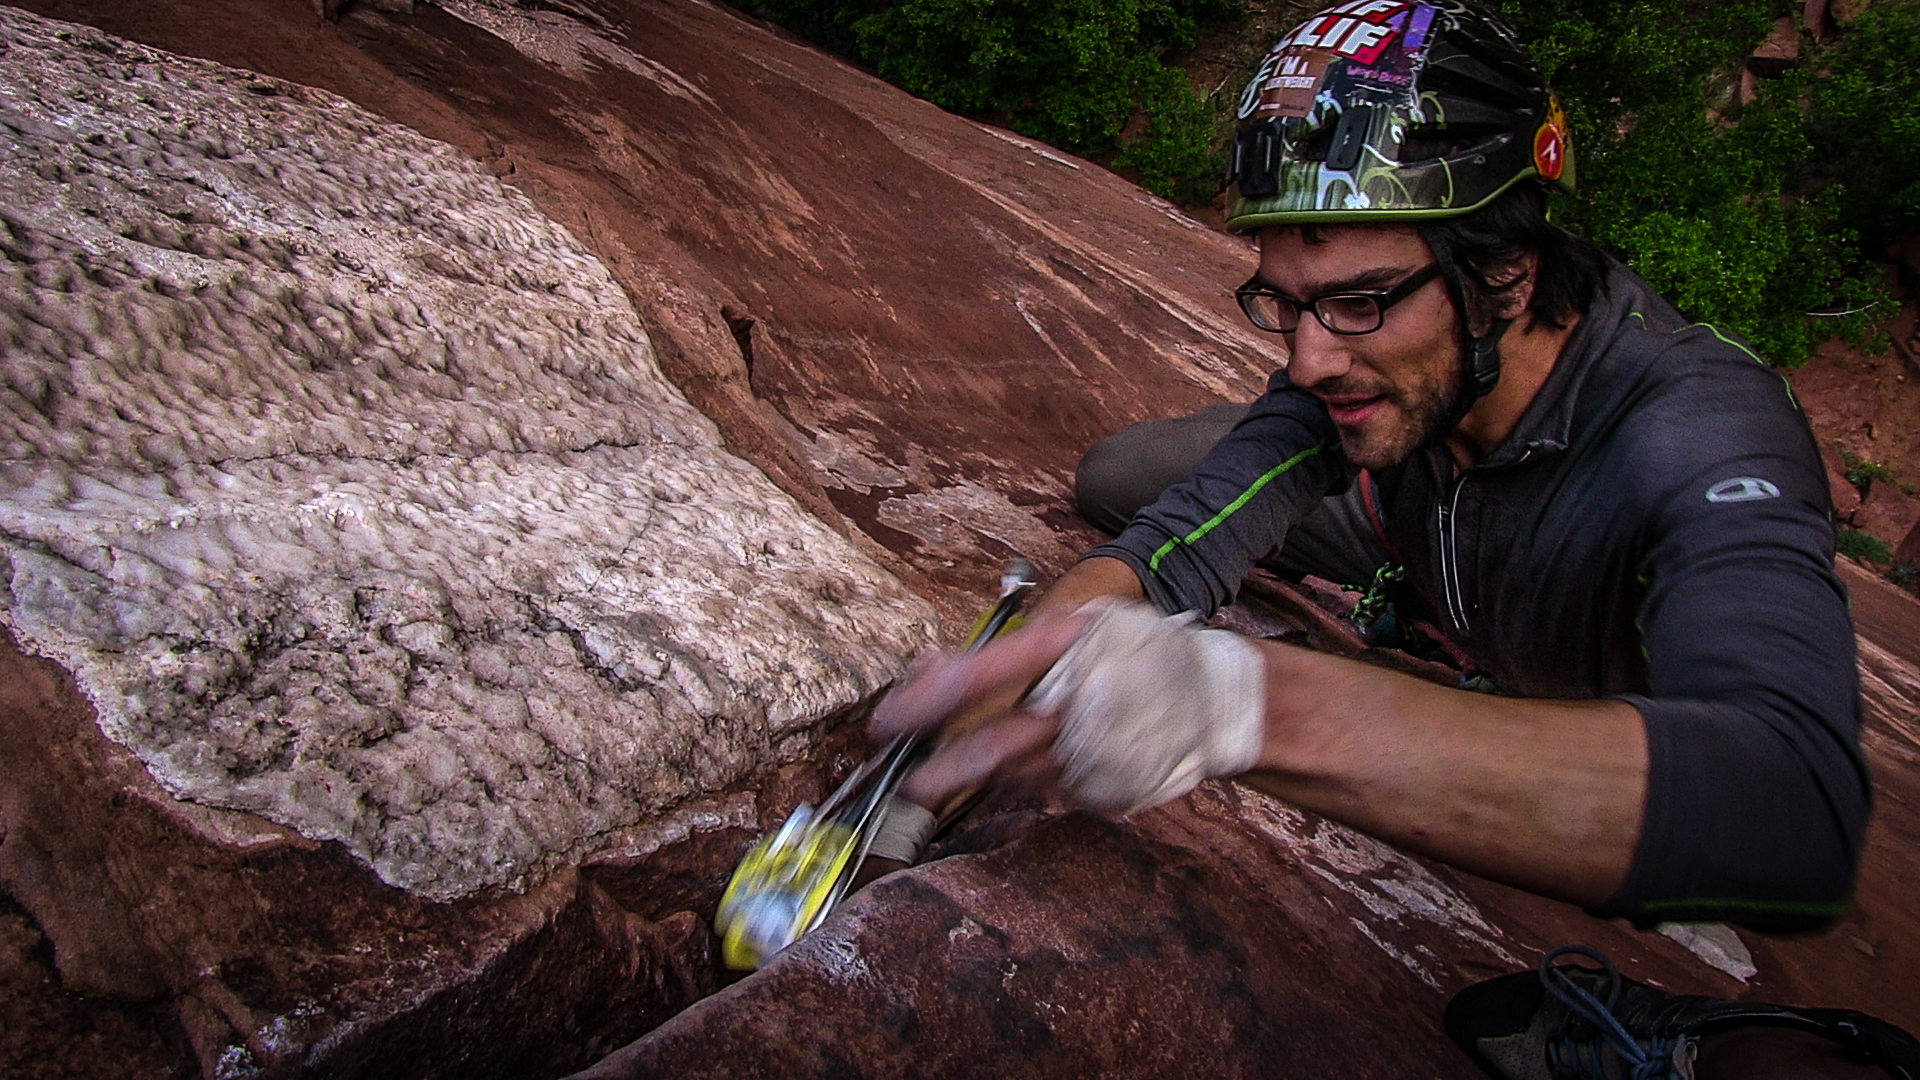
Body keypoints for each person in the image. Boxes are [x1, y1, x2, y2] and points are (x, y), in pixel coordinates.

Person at [870, 3, 1920, 1077]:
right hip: (1418, 529)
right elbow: (1167, 541)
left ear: (1505, 274)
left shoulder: (1699, 431)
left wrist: (1242, 702)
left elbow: (1795, 811)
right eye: (1283, 305)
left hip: (1581, 676)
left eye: (1361, 301)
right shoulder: (1371, 374)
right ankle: (1405, 586)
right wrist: (996, 697)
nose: (1313, 359)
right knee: (1125, 475)